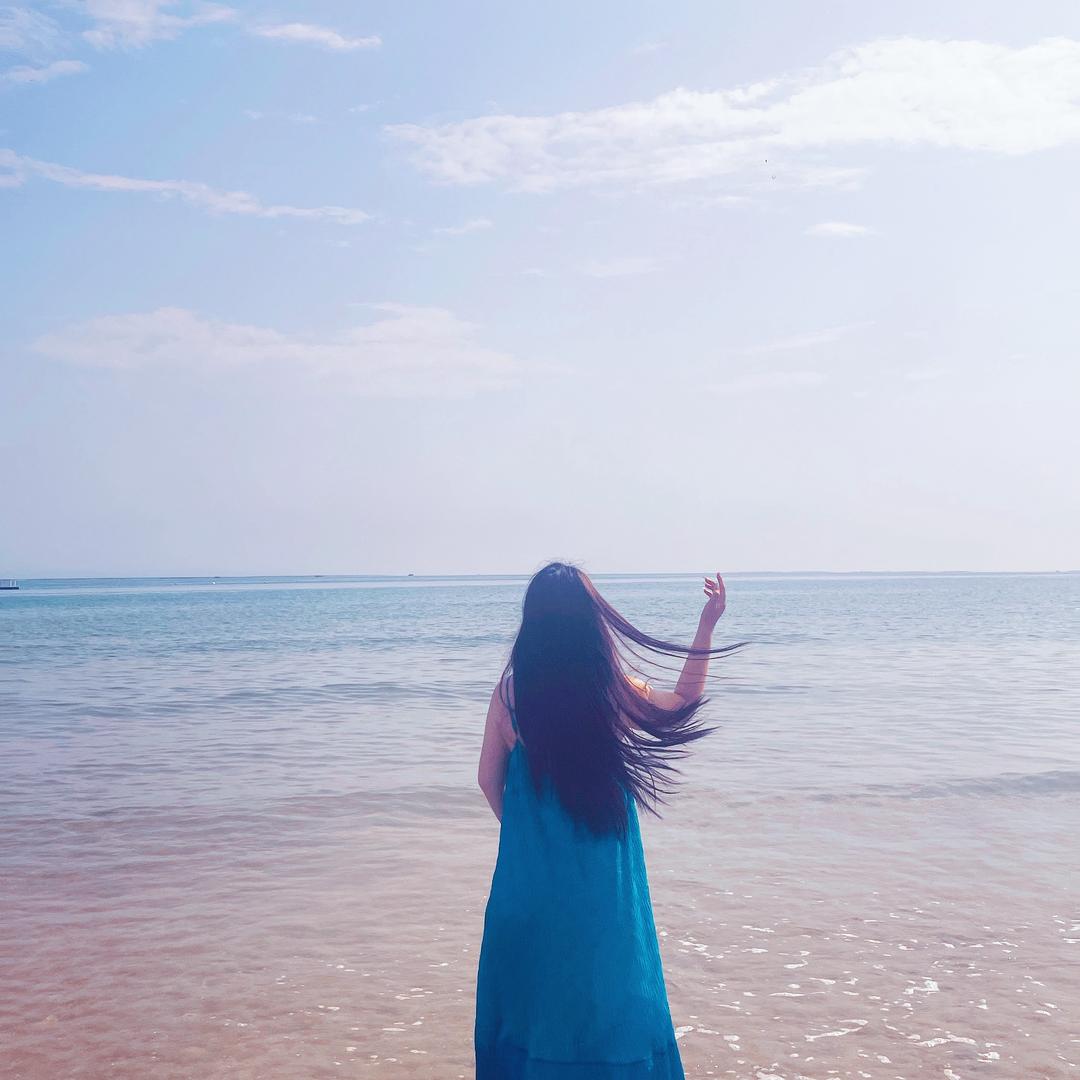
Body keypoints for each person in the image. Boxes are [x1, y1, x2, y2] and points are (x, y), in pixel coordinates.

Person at [474, 562, 742, 1078]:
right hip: (602, 897)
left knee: (532, 1016)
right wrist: (707, 623)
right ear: (591, 621)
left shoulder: (511, 694)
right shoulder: (612, 692)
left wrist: (529, 839)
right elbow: (682, 700)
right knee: (612, 1012)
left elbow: (488, 779)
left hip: (525, 890)